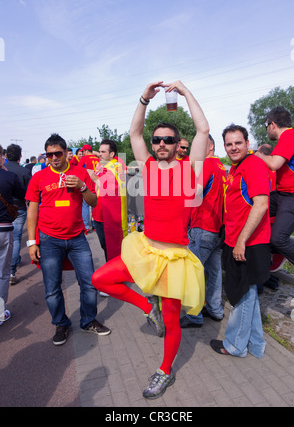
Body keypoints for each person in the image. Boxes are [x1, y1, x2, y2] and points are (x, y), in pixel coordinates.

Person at [91, 80, 208, 399]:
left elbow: (203, 129)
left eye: (168, 140)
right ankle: (146, 306)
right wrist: (144, 98)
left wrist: (184, 93)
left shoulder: (189, 170)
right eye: (156, 139)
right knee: (100, 279)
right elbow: (133, 133)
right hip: (145, 249)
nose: (160, 143)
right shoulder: (148, 167)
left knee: (172, 321)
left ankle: (165, 371)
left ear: (176, 144)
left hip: (173, 258)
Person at [25, 133, 110, 346]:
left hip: (77, 239)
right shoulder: (39, 178)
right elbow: (32, 211)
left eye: (58, 153)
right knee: (52, 288)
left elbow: (93, 202)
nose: (54, 157)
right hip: (49, 239)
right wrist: (31, 242)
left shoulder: (80, 172)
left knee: (90, 283)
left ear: (65, 153)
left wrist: (82, 186)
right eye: (49, 154)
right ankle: (61, 323)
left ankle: (88, 320)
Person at [210, 124, 271, 358]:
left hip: (249, 243)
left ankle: (235, 345)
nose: (233, 147)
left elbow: (261, 203)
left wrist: (241, 241)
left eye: (238, 143)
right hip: (238, 240)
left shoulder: (253, 164)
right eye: (229, 144)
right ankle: (256, 345)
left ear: (247, 143)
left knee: (242, 293)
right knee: (249, 293)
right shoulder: (238, 167)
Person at [180, 134, 226, 328]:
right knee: (214, 272)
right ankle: (215, 309)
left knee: (193, 272)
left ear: (210, 146)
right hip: (217, 228)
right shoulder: (222, 167)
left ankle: (194, 315)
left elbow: (193, 193)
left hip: (203, 226)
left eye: (200, 145)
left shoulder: (206, 165)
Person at [255, 107, 294, 269]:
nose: (267, 132)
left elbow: (273, 164)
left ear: (272, 124)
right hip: (282, 194)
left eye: (266, 127)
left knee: (278, 238)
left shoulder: (290, 135)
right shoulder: (290, 137)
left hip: (293, 196)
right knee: (253, 207)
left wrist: (258, 154)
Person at [0, 144, 25, 324]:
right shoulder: (9, 176)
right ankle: (0, 311)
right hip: (4, 227)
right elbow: (23, 194)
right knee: (3, 272)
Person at [5, 144, 31, 285]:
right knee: (15, 239)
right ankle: (11, 271)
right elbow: (28, 193)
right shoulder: (24, 171)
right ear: (20, 156)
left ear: (6, 155)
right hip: (18, 209)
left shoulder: (4, 170)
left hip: (3, 208)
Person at [78, 144, 99, 232]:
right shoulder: (97, 159)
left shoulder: (84, 158)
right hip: (97, 184)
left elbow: (78, 169)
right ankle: (95, 225)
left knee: (85, 206)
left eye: (83, 151)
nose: (82, 153)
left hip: (88, 185)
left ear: (86, 151)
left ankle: (86, 226)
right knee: (95, 206)